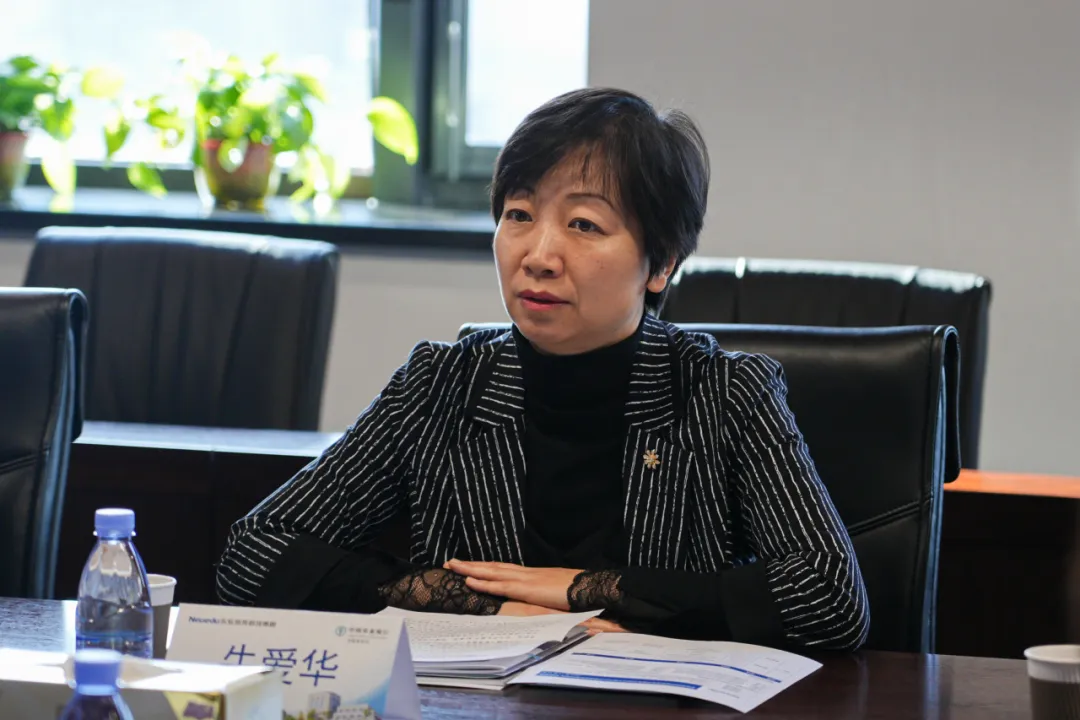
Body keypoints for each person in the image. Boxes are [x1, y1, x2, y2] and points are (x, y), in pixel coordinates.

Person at [217, 87, 870, 650]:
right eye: (519, 215)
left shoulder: (725, 393)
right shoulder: (440, 385)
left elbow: (830, 597)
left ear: (662, 262)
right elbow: (254, 553)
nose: (539, 255)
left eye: (583, 224)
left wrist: (589, 589)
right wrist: (481, 607)